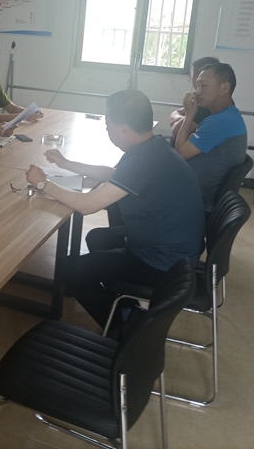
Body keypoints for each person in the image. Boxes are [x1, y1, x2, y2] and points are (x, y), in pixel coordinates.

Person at [25, 89, 205, 328]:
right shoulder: (152, 146)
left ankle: (123, 327)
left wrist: (43, 183)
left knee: (69, 269)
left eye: (108, 125)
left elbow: (88, 205)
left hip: (164, 263)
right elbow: (113, 174)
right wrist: (66, 163)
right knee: (97, 238)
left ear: (124, 129)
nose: (107, 130)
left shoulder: (143, 160)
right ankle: (120, 304)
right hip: (172, 245)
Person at [175, 62, 247, 212]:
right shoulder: (228, 116)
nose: (197, 92)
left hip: (194, 201)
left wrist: (189, 115)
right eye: (197, 86)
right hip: (194, 193)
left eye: (203, 86)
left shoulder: (220, 121)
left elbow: (181, 153)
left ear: (224, 88)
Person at [168, 56, 220, 141]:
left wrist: (185, 117)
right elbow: (175, 113)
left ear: (198, 77)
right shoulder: (198, 100)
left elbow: (176, 130)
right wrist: (183, 119)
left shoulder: (206, 106)